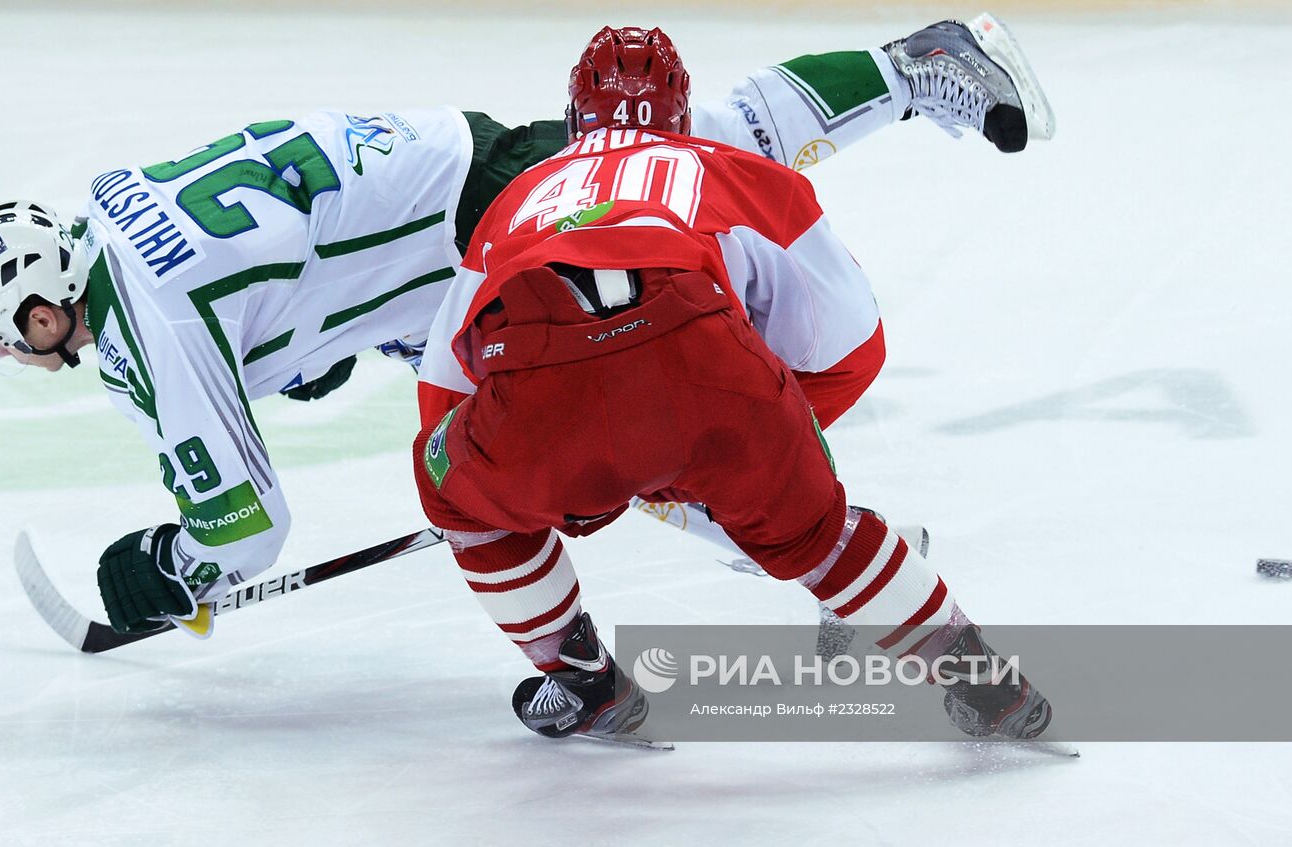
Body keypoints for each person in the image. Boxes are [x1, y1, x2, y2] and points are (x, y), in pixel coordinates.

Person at [0, 16, 1052, 641]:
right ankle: (814, 546)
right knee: (680, 216)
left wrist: (169, 566)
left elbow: (246, 528)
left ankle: (915, 68)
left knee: (686, 194)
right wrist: (326, 335)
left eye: (17, 337)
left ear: (44, 309)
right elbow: (276, 242)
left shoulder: (141, 322)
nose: (27, 354)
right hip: (439, 190)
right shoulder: (114, 200)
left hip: (466, 230)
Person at [412, 20, 1054, 744]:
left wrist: (524, 480)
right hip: (710, 373)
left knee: (456, 498)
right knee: (819, 534)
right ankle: (985, 683)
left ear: (571, 122)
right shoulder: (724, 168)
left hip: (541, 388)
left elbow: (442, 394)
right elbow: (851, 338)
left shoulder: (515, 199)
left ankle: (583, 679)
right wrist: (756, 430)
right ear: (684, 119)